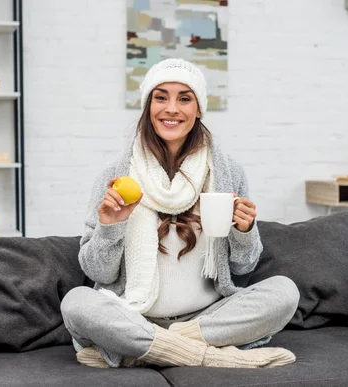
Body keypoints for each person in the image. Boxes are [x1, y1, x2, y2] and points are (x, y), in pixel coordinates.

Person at [61, 58, 300, 369]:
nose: (171, 108)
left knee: (284, 291)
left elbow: (243, 267)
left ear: (198, 108)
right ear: (148, 106)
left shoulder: (227, 173)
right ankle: (207, 357)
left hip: (205, 320)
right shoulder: (117, 174)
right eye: (161, 97)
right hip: (133, 316)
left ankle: (151, 349)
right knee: (76, 302)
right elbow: (99, 274)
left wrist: (244, 231)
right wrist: (110, 226)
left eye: (184, 98)